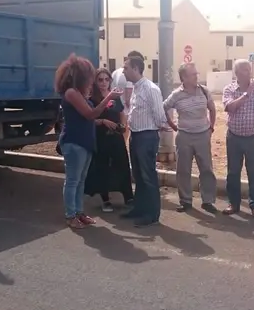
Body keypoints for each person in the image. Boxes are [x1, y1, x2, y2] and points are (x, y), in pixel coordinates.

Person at [54, 54, 122, 229]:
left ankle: (79, 212)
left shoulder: (79, 93)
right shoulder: (71, 93)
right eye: (89, 76)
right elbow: (90, 114)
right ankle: (70, 215)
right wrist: (109, 98)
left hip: (84, 141)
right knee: (73, 180)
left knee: (81, 179)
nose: (91, 80)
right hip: (74, 141)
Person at [163, 63, 219, 214]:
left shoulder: (204, 91)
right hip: (184, 136)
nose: (196, 76)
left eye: (196, 73)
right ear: (184, 78)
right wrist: (173, 125)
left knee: (206, 169)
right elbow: (164, 108)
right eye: (193, 74)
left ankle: (208, 201)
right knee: (183, 169)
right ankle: (186, 201)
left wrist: (211, 128)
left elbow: (212, 109)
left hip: (202, 135)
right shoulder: (176, 94)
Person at [122, 55, 169, 227]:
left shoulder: (151, 88)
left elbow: (160, 116)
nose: (123, 71)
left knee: (148, 175)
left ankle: (152, 214)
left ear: (136, 68)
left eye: (126, 68)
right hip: (136, 135)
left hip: (147, 136)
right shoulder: (136, 87)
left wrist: (155, 128)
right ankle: (139, 208)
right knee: (138, 175)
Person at [221, 59, 254, 216]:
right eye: (244, 70)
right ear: (237, 73)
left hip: (253, 137)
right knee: (233, 172)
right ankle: (233, 204)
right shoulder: (229, 89)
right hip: (234, 137)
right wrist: (247, 94)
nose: (249, 72)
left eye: (249, 69)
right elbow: (230, 107)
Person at [84, 68, 134, 212]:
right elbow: (89, 119)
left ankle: (128, 196)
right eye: (100, 80)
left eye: (107, 79)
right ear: (95, 81)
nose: (104, 83)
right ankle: (105, 200)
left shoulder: (115, 96)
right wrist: (103, 121)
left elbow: (121, 112)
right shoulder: (92, 99)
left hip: (116, 136)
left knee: (123, 164)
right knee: (102, 167)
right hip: (101, 137)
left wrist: (123, 125)